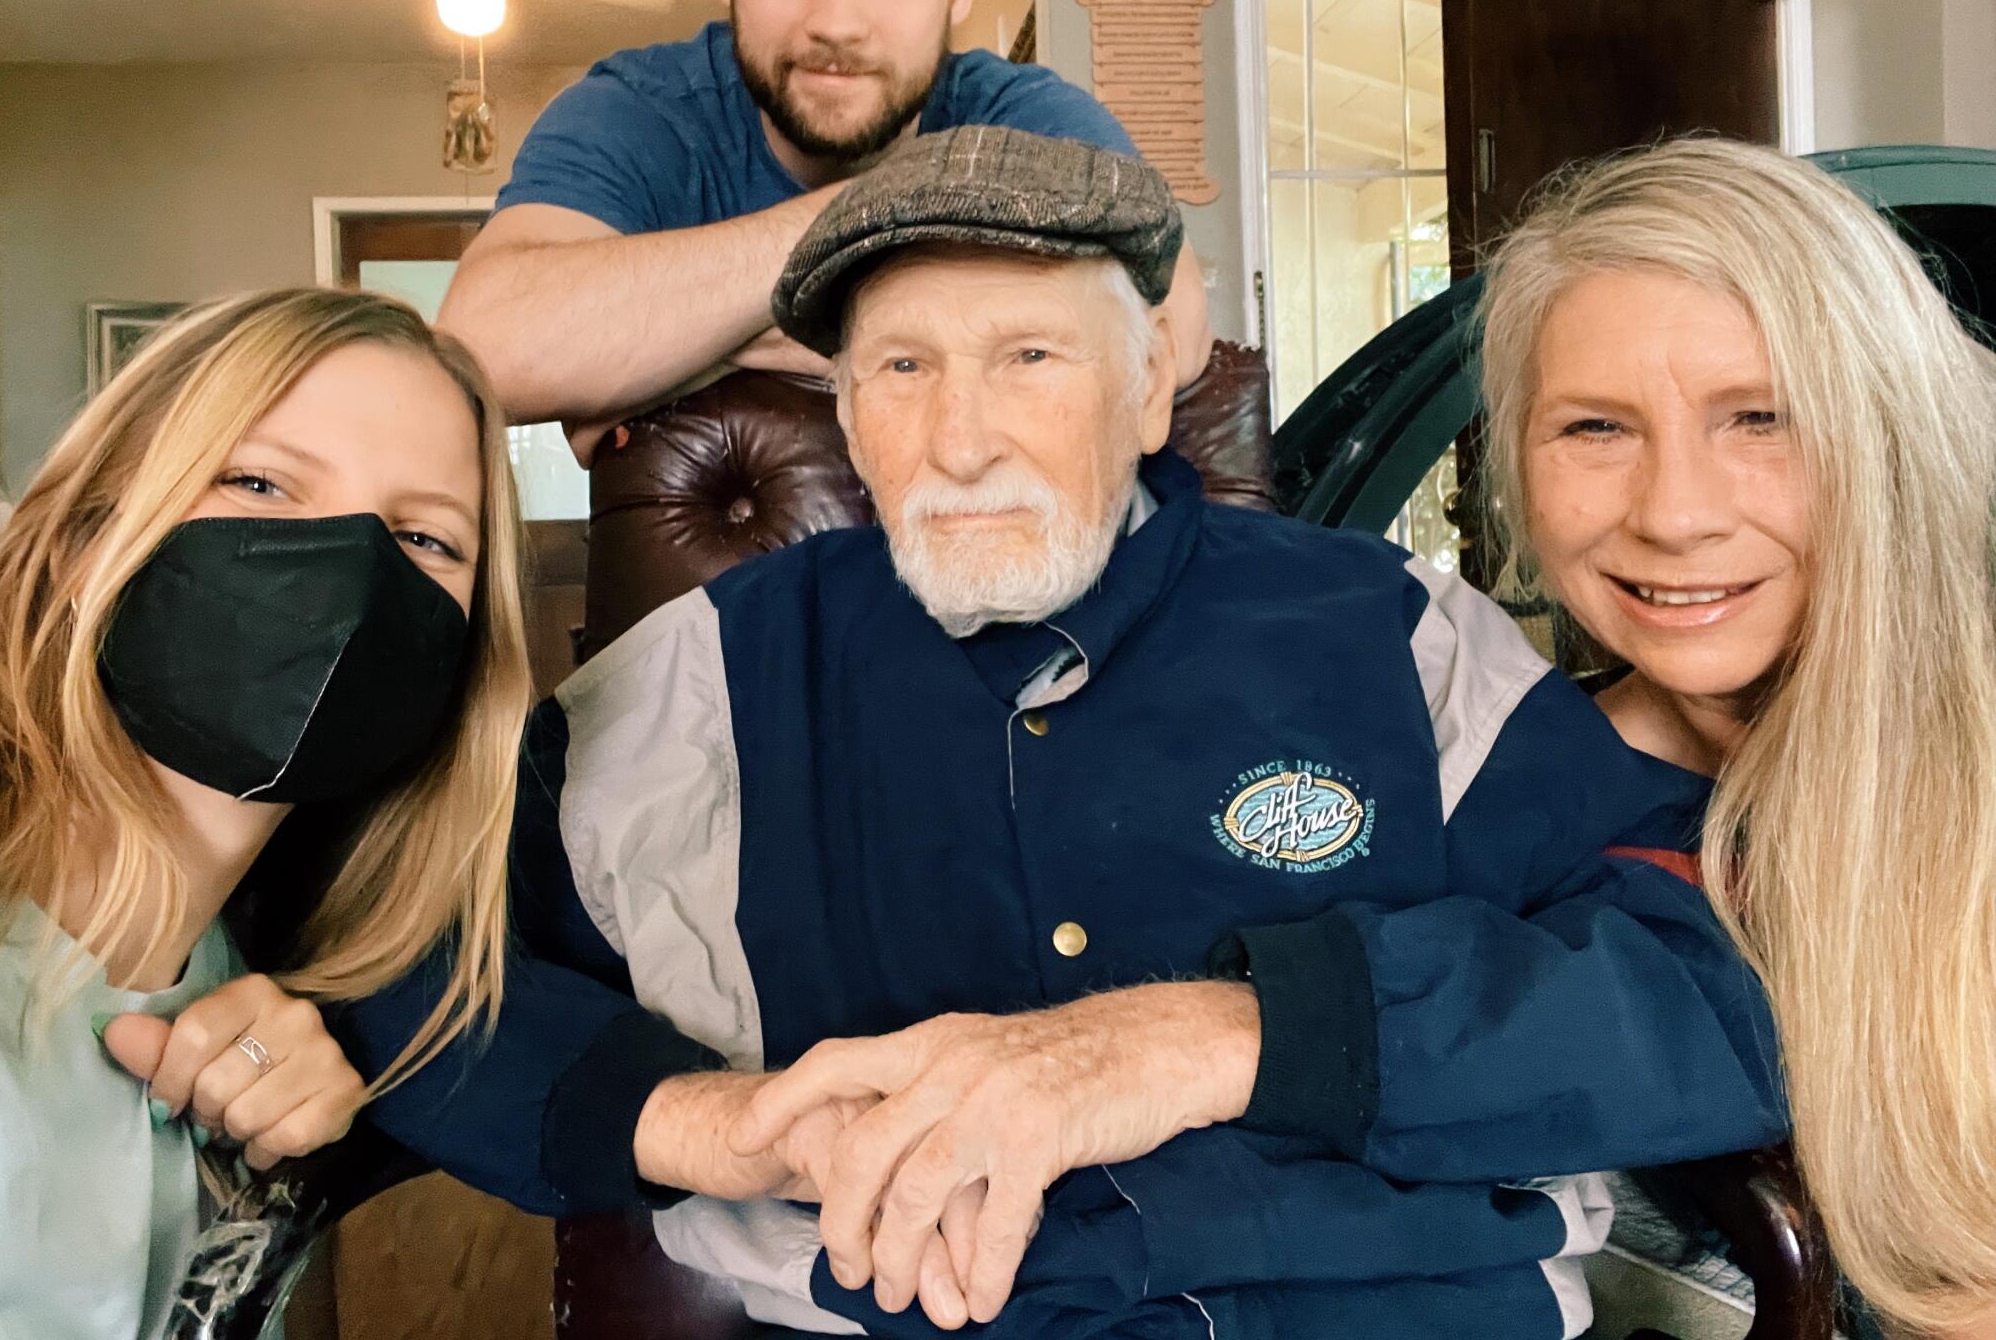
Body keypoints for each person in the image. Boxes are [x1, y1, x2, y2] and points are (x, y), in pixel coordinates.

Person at [339, 128, 1781, 1339]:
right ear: (845, 411)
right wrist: (708, 1126)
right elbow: (413, 955)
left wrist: (1238, 1035)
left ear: (1152, 384)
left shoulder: (1395, 634)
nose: (960, 438)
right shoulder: (708, 683)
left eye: (1029, 355)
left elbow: (1710, 983)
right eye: (901, 371)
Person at [1476, 135, 1996, 1339]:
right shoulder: (1481, 810)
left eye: (1757, 418)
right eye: (1595, 429)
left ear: (1885, 435)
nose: (1672, 514)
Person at [0, 288, 534, 1339]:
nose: (350, 571)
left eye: (426, 540)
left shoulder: (276, 1019)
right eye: (258, 481)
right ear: (81, 538)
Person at [436, 0, 1211, 464]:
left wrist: (697, 347)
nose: (836, 20)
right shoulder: (640, 110)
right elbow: (483, 348)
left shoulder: (1024, 116)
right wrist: (878, 233)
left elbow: (1172, 321)